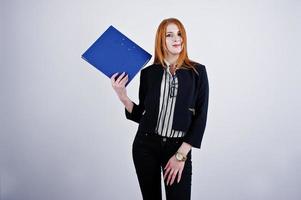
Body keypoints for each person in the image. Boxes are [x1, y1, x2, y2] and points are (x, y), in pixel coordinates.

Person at [111, 18, 209, 200]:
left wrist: (180, 156)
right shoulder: (148, 73)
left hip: (177, 147)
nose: (176, 39)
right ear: (161, 41)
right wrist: (122, 96)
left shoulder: (198, 72)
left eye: (179, 34)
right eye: (169, 35)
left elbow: (201, 117)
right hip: (145, 146)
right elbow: (145, 116)